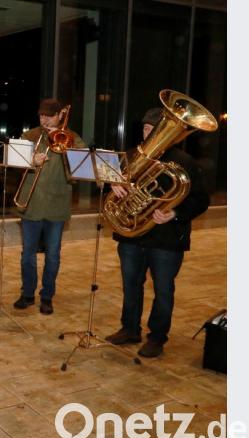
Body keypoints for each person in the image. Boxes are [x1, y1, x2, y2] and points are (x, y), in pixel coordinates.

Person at [105, 107, 210, 357]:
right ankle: (129, 329)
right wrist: (113, 184)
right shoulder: (130, 156)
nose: (148, 133)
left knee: (163, 290)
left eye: (154, 129)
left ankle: (157, 337)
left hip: (167, 238)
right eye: (145, 128)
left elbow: (201, 200)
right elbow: (110, 191)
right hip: (132, 236)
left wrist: (175, 213)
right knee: (131, 285)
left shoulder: (185, 162)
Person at [13, 98, 85, 315]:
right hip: (32, 203)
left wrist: (67, 153)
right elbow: (13, 163)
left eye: (49, 115)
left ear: (60, 115)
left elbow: (80, 171)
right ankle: (27, 293)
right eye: (42, 115)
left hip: (57, 204)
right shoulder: (30, 136)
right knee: (28, 254)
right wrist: (30, 160)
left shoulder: (73, 138)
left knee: (53, 254)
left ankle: (47, 296)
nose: (44, 119)